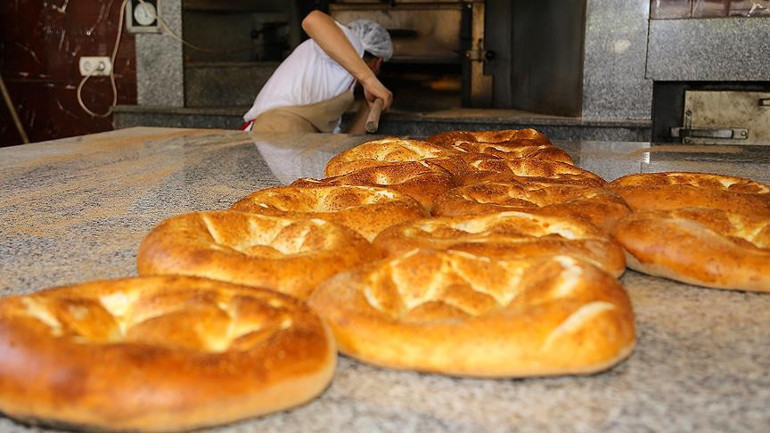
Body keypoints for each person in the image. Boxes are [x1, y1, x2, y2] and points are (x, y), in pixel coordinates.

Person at [241, 10, 394, 134]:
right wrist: (369, 80)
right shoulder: (352, 43)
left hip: (297, 138)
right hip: (275, 132)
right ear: (378, 61)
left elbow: (347, 139)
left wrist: (368, 109)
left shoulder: (343, 82)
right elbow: (313, 20)